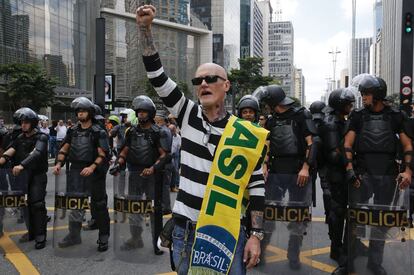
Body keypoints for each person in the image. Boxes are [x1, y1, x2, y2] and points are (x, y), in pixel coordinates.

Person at [136, 5, 268, 274]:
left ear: (226, 85)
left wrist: (256, 235)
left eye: (211, 78)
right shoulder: (187, 113)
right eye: (199, 80)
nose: (204, 84)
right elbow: (157, 77)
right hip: (186, 231)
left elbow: (256, 186)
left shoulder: (246, 133)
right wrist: (145, 30)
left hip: (228, 232)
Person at [343, 75, 412, 275]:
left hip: (388, 174)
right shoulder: (358, 116)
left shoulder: (396, 116)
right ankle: (349, 261)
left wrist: (407, 172)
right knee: (354, 218)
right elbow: (347, 144)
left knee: (382, 221)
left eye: (367, 93)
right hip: (362, 174)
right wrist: (349, 170)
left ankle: (375, 262)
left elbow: (408, 145)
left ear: (378, 95)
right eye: (363, 93)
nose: (363, 97)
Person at [260, 85, 317, 270]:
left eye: (267, 104)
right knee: (268, 213)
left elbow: (311, 143)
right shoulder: (271, 120)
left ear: (272, 103)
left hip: (297, 171)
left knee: (297, 215)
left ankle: (294, 254)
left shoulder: (301, 115)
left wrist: (306, 167)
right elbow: (267, 145)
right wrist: (265, 165)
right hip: (276, 172)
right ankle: (260, 251)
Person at [110, 95, 167, 255]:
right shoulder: (132, 131)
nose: (141, 114)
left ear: (150, 113)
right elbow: (126, 149)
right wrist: (119, 163)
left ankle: (157, 241)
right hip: (134, 173)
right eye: (139, 112)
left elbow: (164, 155)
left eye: (144, 112)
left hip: (152, 176)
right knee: (134, 208)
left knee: (154, 210)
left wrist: (153, 168)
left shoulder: (158, 132)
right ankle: (136, 238)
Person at [53, 97, 110, 252]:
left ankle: (103, 236)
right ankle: (74, 235)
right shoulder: (72, 131)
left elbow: (103, 154)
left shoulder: (99, 131)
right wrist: (58, 164)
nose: (80, 114)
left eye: (83, 111)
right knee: (75, 204)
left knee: (99, 205)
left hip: (94, 172)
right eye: (78, 111)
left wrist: (92, 167)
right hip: (75, 170)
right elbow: (64, 149)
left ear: (90, 113)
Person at [318, 89, 355, 275]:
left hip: (343, 172)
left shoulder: (342, 120)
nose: (350, 106)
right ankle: (336, 247)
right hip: (335, 173)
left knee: (347, 211)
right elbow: (334, 154)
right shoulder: (331, 123)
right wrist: (351, 161)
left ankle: (344, 246)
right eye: (348, 103)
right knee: (337, 211)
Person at [0, 108, 48, 249]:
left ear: (33, 123)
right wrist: (2, 160)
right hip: (23, 176)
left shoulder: (41, 137)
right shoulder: (20, 137)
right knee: (25, 205)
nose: (23, 125)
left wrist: (21, 165)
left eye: (26, 122)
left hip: (37, 175)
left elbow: (36, 153)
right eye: (22, 123)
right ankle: (31, 232)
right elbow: (10, 151)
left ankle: (41, 235)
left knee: (37, 204)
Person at [309, 100, 330, 223]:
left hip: (311, 161)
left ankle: (304, 214)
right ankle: (329, 214)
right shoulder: (328, 123)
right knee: (326, 188)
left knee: (306, 190)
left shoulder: (307, 122)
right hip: (324, 161)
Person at [154, 114, 173, 215]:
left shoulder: (163, 131)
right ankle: (164, 206)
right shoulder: (166, 129)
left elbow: (165, 149)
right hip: (167, 162)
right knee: (164, 185)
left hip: (165, 163)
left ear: (158, 120)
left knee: (164, 186)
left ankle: (165, 207)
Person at [168, 124, 181, 192]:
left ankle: (173, 186)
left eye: (173, 130)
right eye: (170, 130)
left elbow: (179, 146)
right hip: (167, 154)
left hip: (175, 154)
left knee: (175, 170)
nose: (172, 131)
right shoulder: (166, 135)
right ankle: (168, 186)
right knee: (167, 171)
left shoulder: (178, 137)